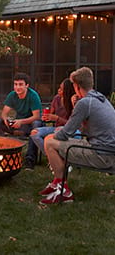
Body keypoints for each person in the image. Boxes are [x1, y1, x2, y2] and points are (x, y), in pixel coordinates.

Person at [40, 67, 115, 205]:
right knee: (51, 139)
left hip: (102, 155)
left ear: (77, 86)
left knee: (49, 142)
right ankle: (58, 183)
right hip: (108, 150)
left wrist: (56, 133)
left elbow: (66, 133)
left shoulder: (85, 102)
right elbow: (84, 129)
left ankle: (64, 191)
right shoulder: (100, 98)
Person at [0, 72, 42, 170]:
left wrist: (21, 122)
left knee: (36, 124)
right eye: (15, 84)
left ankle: (30, 160)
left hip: (29, 125)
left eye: (20, 84)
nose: (17, 87)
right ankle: (1, 153)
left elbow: (36, 116)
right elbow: (4, 113)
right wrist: (5, 119)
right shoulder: (12, 95)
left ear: (26, 85)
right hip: (18, 124)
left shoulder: (33, 96)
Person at [30, 78, 76, 156]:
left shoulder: (73, 102)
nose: (59, 90)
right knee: (34, 133)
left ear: (68, 92)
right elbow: (51, 113)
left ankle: (57, 158)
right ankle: (52, 156)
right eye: (59, 88)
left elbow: (73, 124)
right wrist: (46, 118)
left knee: (58, 131)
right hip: (55, 129)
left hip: (68, 131)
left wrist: (57, 118)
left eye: (61, 89)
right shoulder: (57, 99)